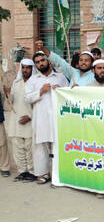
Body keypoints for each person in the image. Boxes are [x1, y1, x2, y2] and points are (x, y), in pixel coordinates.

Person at [24, 52, 69, 184]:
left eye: (42, 60)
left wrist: (61, 90)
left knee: (58, 145)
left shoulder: (60, 77)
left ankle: (58, 174)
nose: (40, 63)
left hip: (58, 118)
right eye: (37, 62)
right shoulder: (33, 80)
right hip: (41, 118)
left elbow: (69, 94)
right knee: (41, 147)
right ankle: (44, 174)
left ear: (48, 61)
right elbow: (27, 98)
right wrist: (40, 91)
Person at [7, 59, 37, 181]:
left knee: (30, 148)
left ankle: (32, 171)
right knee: (17, 147)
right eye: (23, 68)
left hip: (30, 119)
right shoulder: (16, 83)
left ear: (32, 69)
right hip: (16, 120)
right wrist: (8, 94)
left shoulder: (36, 83)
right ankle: (22, 171)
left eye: (28, 68)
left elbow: (39, 104)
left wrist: (30, 116)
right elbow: (11, 103)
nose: (25, 70)